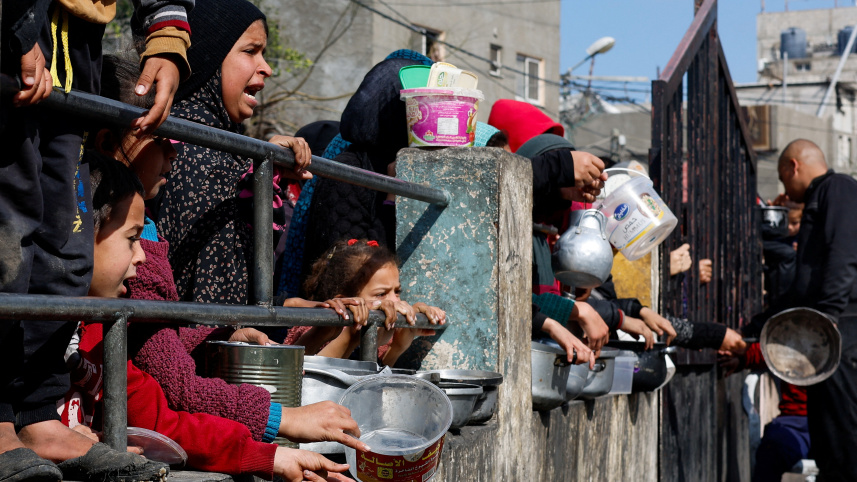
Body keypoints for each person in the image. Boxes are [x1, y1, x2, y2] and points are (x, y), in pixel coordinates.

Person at [87, 52, 367, 452]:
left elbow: (160, 332)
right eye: (164, 139)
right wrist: (281, 419)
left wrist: (223, 332)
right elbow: (174, 385)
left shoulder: (142, 228)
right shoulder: (125, 253)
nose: (177, 154)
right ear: (110, 142)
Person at [60, 155, 354, 481]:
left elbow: (163, 421)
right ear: (80, 237)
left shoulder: (105, 336)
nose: (142, 255)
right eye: (133, 239)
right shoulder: (34, 333)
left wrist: (270, 456)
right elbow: (178, 388)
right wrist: (284, 421)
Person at [0, 0, 191, 479]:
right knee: (8, 240)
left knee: (65, 248)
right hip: (19, 34)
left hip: (78, 45)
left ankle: (36, 414)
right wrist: (18, 29)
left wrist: (167, 39)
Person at [153, 0, 313, 305]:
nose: (267, 67)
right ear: (209, 55)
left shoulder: (229, 147)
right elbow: (210, 300)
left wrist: (264, 169)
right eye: (251, 51)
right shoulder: (191, 153)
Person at [770, 139, 857, 481]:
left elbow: (844, 254)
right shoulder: (820, 198)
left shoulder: (838, 188)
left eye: (783, 178)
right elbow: (804, 283)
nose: (785, 190)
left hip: (841, 332)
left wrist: (829, 315)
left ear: (793, 166)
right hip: (824, 336)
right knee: (828, 439)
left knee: (845, 435)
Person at [285, 239, 445, 367]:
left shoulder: (381, 334)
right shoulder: (313, 330)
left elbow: (375, 375)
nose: (395, 301)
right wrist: (353, 333)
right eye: (381, 294)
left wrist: (399, 343)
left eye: (397, 291)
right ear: (345, 300)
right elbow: (306, 379)